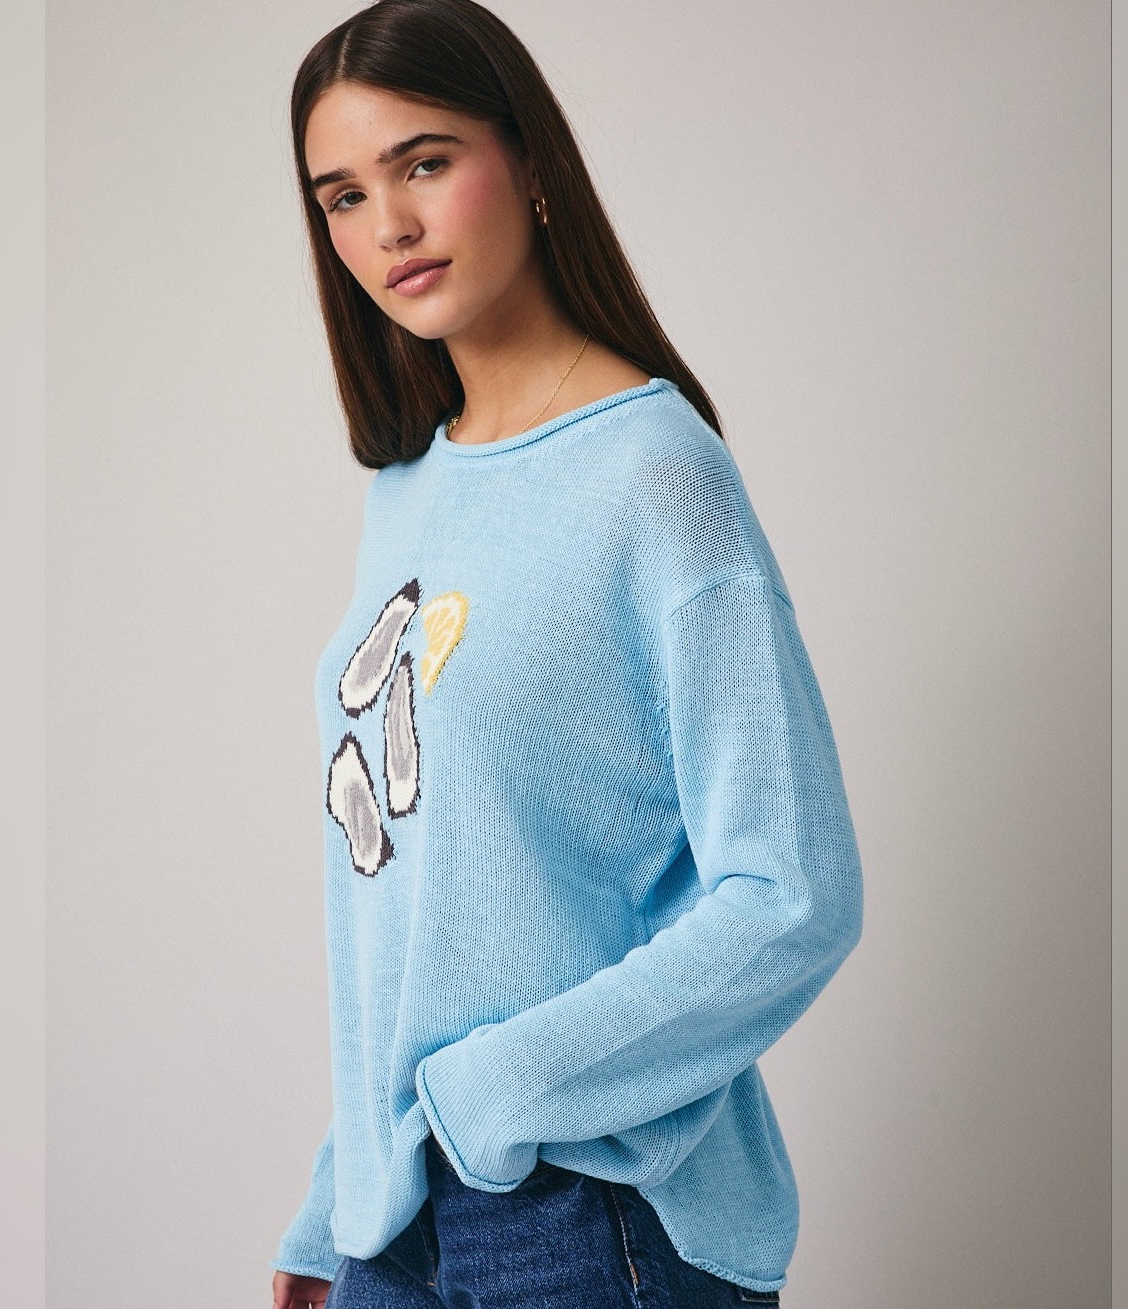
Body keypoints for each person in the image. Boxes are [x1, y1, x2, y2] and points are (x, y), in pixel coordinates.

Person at [269, 2, 864, 1306]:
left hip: (589, 1208)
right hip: (404, 1209)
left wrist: (491, 1097)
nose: (390, 225)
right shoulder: (412, 486)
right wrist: (340, 1195)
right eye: (344, 196)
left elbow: (792, 891)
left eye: (426, 163)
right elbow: (427, 897)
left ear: (531, 163)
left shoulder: (655, 474)